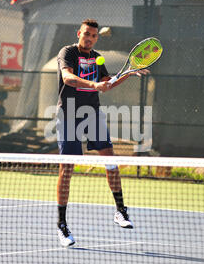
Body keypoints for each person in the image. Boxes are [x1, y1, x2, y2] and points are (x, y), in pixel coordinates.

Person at [55, 19, 148, 247]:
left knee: (110, 159)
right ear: (79, 33)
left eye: (93, 35)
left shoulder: (97, 58)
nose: (89, 38)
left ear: (97, 38)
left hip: (91, 113)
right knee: (67, 168)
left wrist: (128, 74)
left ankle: (120, 211)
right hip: (68, 114)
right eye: (86, 34)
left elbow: (108, 83)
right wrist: (93, 85)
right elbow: (67, 78)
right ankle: (62, 225)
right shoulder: (67, 52)